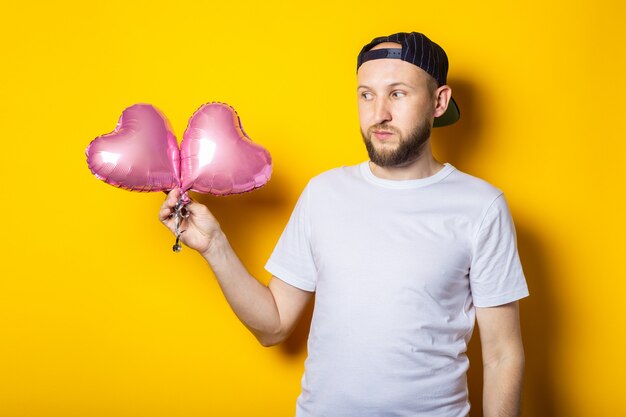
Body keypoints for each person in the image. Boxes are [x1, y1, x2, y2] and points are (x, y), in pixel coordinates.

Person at [159, 31, 529, 417]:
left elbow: (503, 355)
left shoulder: (481, 206)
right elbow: (274, 326)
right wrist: (214, 246)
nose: (379, 113)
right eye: (366, 94)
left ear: (439, 102)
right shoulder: (324, 194)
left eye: (398, 93)